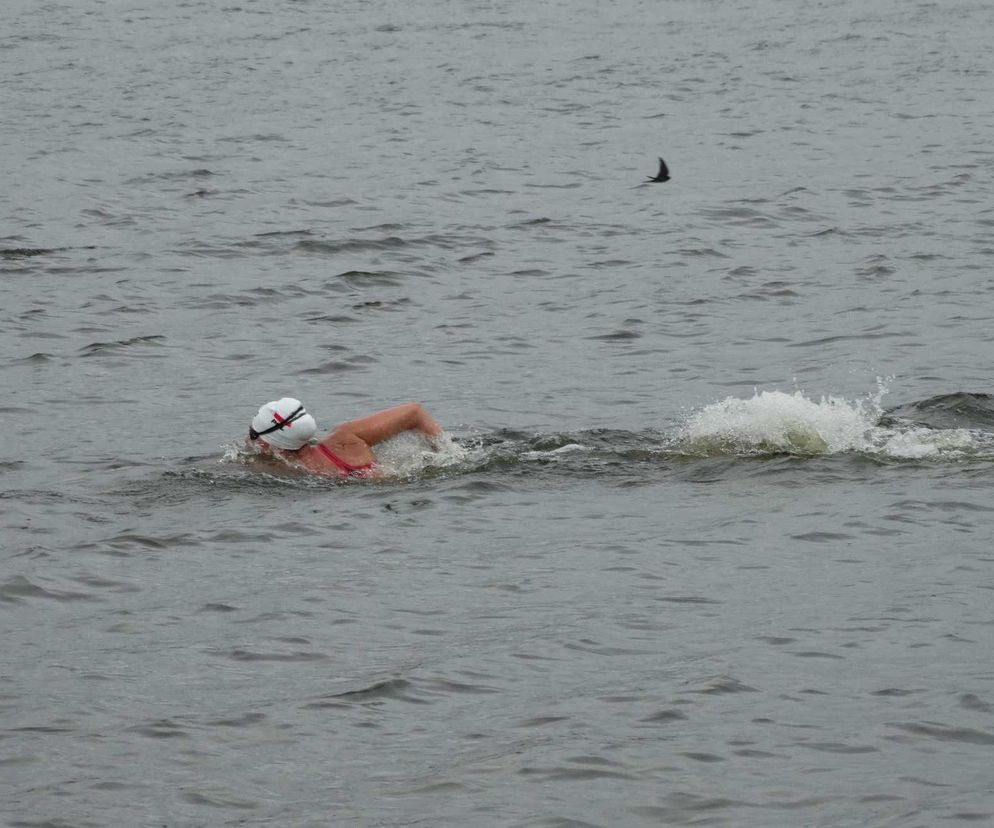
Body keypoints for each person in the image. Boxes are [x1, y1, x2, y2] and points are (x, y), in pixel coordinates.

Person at [247, 397, 442, 478]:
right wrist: (445, 453)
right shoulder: (345, 440)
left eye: (253, 434)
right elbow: (414, 412)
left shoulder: (282, 472)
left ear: (267, 444)